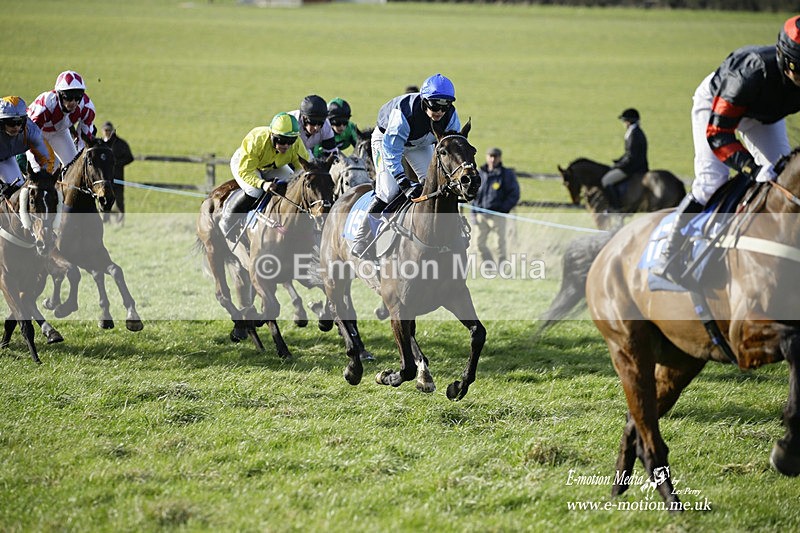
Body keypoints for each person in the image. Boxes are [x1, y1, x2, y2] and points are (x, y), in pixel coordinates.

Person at [656, 14, 800, 282]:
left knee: (786, 179)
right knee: (711, 181)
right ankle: (670, 250)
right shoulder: (750, 73)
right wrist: (752, 169)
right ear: (786, 61)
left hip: (765, 115)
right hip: (717, 107)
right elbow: (719, 133)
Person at [350, 73, 461, 258]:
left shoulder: (451, 116)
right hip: (387, 140)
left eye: (445, 106)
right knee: (389, 191)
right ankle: (361, 238)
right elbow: (392, 152)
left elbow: (452, 145)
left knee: (433, 186)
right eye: (435, 105)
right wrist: (403, 182)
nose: (440, 111)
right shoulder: (404, 113)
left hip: (420, 143)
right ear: (425, 101)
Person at [219, 112, 310, 241]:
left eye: (291, 141)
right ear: (272, 135)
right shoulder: (256, 140)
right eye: (282, 141)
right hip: (245, 164)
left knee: (290, 185)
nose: (286, 146)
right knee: (255, 191)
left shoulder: (296, 145)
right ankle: (228, 219)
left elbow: (302, 169)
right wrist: (263, 183)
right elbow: (246, 171)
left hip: (270, 165)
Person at [27, 70, 97, 170]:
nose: (73, 102)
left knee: (75, 167)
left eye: (78, 97)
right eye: (68, 98)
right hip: (36, 133)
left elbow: (84, 140)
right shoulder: (46, 104)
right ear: (59, 95)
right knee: (45, 170)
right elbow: (32, 134)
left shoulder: (87, 107)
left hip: (60, 132)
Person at [471, 147, 520, 264]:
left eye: (495, 157)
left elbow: (514, 194)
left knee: (500, 245)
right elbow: (473, 194)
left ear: (499, 158)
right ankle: (489, 265)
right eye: (490, 156)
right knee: (478, 244)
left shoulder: (506, 175)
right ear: (487, 157)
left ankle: (502, 267)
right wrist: (473, 213)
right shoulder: (479, 174)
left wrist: (503, 209)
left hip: (498, 216)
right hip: (481, 215)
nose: (492, 159)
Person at [0, 96, 57, 196]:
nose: (16, 127)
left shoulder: (31, 132)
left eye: (19, 122)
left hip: (6, 157)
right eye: (11, 123)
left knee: (18, 192)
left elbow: (47, 158)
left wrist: (42, 178)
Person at [600, 108, 648, 209]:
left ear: (628, 121)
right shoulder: (636, 132)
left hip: (633, 167)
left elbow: (631, 157)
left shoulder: (634, 134)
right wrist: (619, 160)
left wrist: (618, 166)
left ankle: (616, 208)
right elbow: (629, 153)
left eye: (624, 121)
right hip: (635, 164)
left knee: (606, 180)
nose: (623, 123)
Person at [98, 121, 134, 225]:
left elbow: (130, 158)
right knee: (104, 198)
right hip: (104, 179)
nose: (107, 132)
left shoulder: (121, 144)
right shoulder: (100, 144)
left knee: (119, 200)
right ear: (102, 131)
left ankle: (121, 221)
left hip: (117, 177)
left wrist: (116, 164)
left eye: (109, 130)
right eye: (105, 130)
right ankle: (105, 220)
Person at [287, 95, 337, 159]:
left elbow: (332, 154)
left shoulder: (326, 125)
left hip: (305, 152)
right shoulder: (289, 121)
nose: (316, 127)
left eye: (320, 123)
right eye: (313, 122)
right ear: (303, 118)